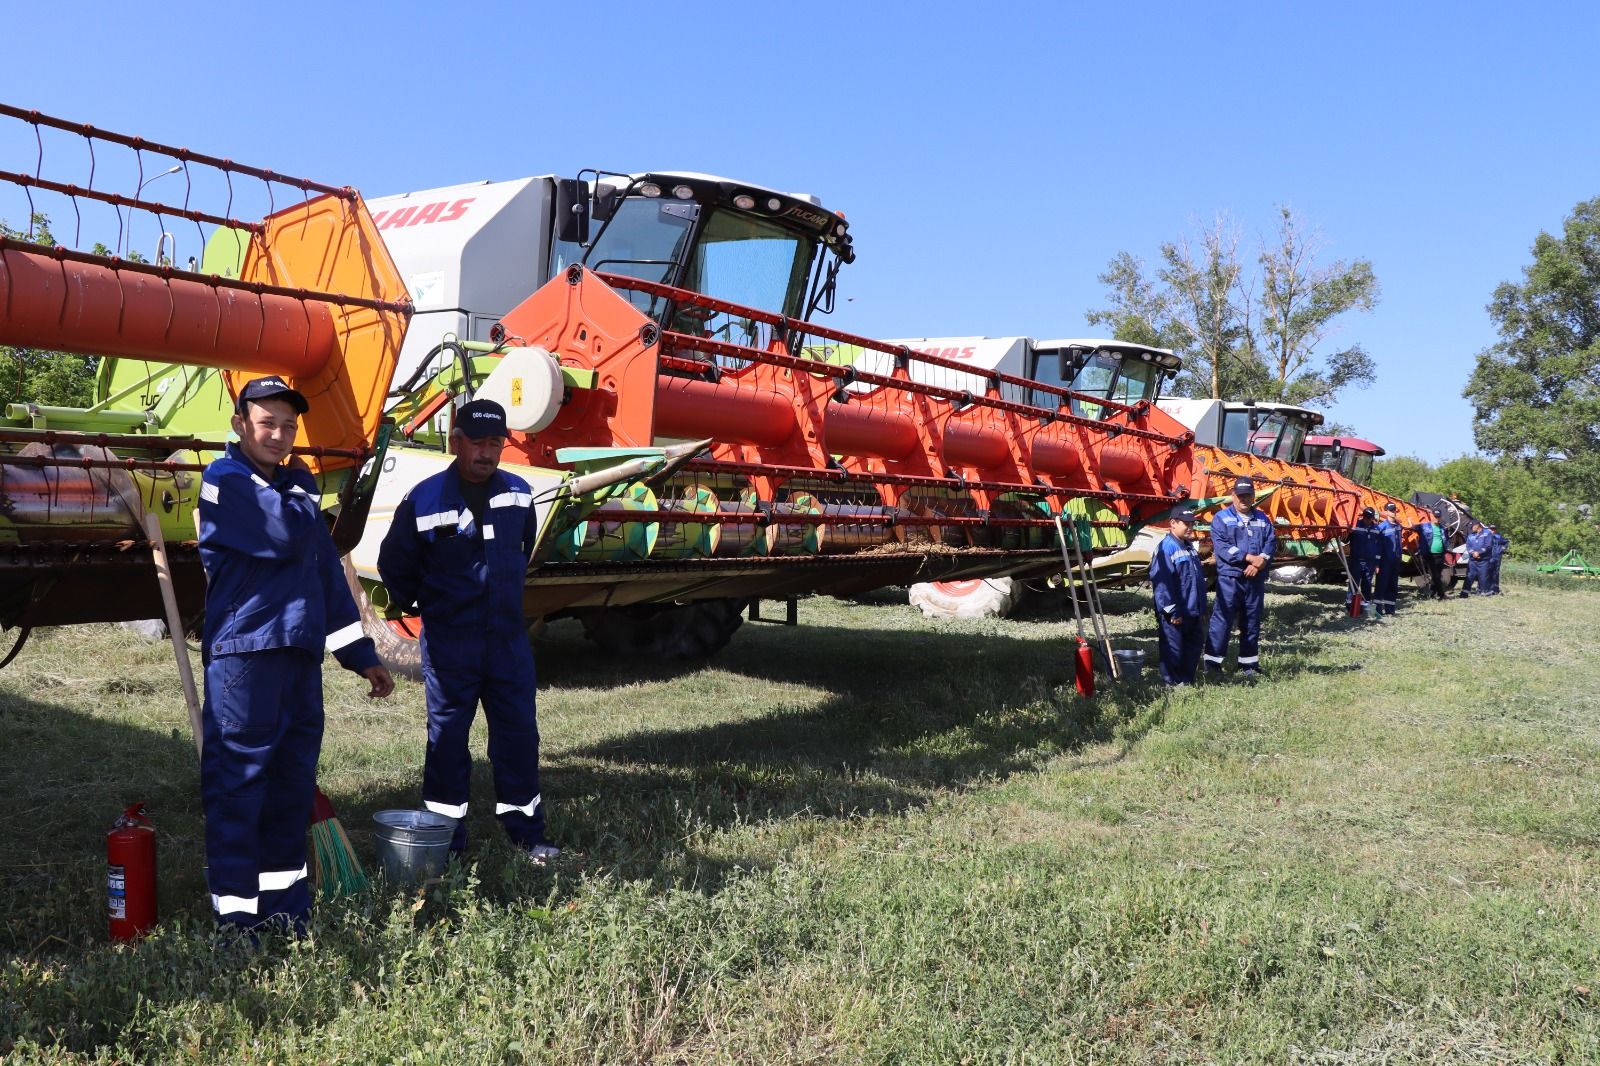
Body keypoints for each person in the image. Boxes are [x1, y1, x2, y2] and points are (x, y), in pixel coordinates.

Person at [197, 375, 395, 932]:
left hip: (299, 660)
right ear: (241, 426)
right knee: (239, 786)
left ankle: (284, 911)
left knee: (290, 785)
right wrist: (306, 496)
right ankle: (236, 921)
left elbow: (324, 577)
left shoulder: (294, 488)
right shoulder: (225, 479)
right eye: (268, 424)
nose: (280, 435)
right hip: (246, 658)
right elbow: (285, 534)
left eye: (289, 426)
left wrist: (361, 655)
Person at [377, 398, 558, 862]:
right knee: (448, 740)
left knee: (518, 736)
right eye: (477, 443)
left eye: (495, 443)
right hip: (451, 644)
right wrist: (429, 605)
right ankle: (446, 841)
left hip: (506, 642)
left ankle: (527, 836)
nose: (486, 453)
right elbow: (394, 565)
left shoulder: (519, 494)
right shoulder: (424, 498)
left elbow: (524, 549)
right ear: (456, 442)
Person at [1204, 477, 1277, 678]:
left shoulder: (1263, 519)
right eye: (1240, 495)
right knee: (1223, 620)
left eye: (1248, 495)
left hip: (1255, 579)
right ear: (1233, 495)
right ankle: (1212, 664)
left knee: (1252, 620)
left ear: (1253, 496)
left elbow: (1271, 543)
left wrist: (1261, 561)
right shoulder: (1221, 518)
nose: (1244, 499)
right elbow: (1223, 547)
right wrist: (1249, 559)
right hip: (1230, 578)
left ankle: (1249, 665)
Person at [1150, 504, 1207, 686]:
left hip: (1193, 611)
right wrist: (1172, 612)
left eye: (1192, 524)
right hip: (1176, 614)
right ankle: (1172, 684)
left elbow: (1195, 580)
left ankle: (1186, 681)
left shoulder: (1189, 547)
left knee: (1193, 647)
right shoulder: (1166, 549)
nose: (1190, 528)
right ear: (1173, 523)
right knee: (1173, 650)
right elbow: (1162, 583)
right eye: (1186, 524)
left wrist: (1202, 607)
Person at [1347, 507, 1381, 613]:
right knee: (1354, 584)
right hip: (1356, 560)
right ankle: (1349, 607)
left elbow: (1378, 547)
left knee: (1367, 584)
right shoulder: (1355, 526)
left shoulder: (1376, 529)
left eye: (1370, 518)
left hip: (1370, 562)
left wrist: (1377, 564)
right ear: (1363, 516)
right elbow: (1346, 539)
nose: (1368, 520)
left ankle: (1365, 607)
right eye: (1366, 518)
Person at [1411, 510, 1450, 600]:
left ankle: (1432, 594)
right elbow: (1413, 527)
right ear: (1431, 516)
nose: (1437, 518)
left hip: (1440, 554)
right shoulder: (1424, 527)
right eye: (1435, 516)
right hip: (1430, 555)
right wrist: (1409, 521)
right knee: (1435, 575)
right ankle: (1442, 595)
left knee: (1437, 575)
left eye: (1438, 516)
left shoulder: (1443, 528)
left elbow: (1446, 540)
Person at [1373, 502, 1403, 616]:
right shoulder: (1381, 527)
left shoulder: (1398, 526)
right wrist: (1376, 564)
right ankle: (1377, 610)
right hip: (1384, 562)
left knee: (1393, 585)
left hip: (1395, 561)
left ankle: (1390, 609)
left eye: (1395, 510)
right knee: (1381, 585)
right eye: (1391, 510)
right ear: (1386, 512)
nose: (1393, 512)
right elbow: (1378, 547)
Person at [1461, 520, 1489, 597]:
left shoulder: (1487, 534)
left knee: (1483, 576)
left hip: (1483, 560)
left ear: (1477, 525)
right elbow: (1468, 546)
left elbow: (1488, 546)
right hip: (1473, 560)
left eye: (1472, 526)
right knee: (1469, 575)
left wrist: (1479, 552)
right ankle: (1464, 593)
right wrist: (1473, 553)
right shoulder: (1470, 536)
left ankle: (1483, 592)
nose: (1471, 528)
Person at [1487, 525, 1508, 594]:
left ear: (1496, 530)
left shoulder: (1499, 537)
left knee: (1495, 573)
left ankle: (1495, 589)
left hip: (1497, 557)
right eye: (1491, 529)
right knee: (1487, 573)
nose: (1492, 530)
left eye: (1494, 529)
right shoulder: (1485, 537)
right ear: (1488, 529)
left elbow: (1506, 542)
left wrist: (1502, 549)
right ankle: (1487, 589)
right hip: (1488, 558)